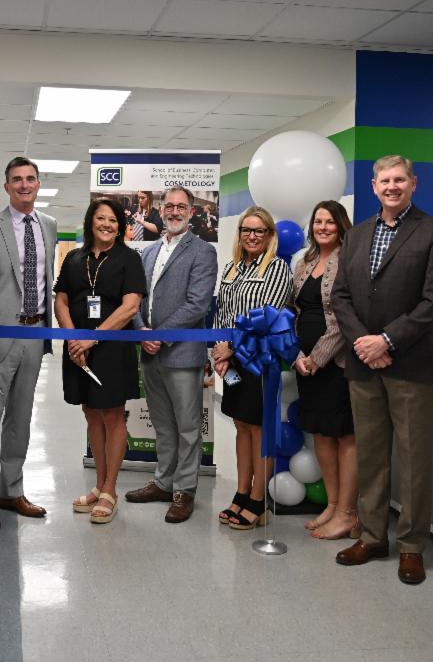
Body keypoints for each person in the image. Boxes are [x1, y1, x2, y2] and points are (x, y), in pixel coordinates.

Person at [330, 155, 433, 586]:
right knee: (371, 455)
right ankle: (371, 536)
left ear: (414, 183)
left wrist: (387, 340)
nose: (392, 186)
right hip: (364, 364)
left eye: (399, 179)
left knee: (414, 459)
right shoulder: (358, 234)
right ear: (373, 185)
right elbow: (341, 296)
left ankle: (412, 547)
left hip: (411, 363)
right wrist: (365, 344)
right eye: (384, 180)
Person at [0, 157, 58, 530]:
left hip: (35, 335)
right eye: (17, 180)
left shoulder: (48, 226)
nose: (24, 185)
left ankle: (12, 490)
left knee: (21, 419)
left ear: (38, 184)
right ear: (6, 186)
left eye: (30, 179)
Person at [125, 187, 218, 523]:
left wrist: (159, 337)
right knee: (163, 425)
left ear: (191, 212)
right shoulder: (148, 252)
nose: (175, 211)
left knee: (188, 427)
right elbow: (134, 299)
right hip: (149, 351)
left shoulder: (203, 252)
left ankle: (184, 491)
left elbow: (197, 304)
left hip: (181, 353)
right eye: (170, 206)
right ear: (161, 210)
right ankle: (164, 482)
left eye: (182, 207)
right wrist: (140, 330)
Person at [54, 199, 145, 524]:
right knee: (91, 413)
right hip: (77, 347)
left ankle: (110, 490)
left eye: (113, 220)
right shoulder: (74, 258)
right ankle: (98, 486)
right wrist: (73, 338)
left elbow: (130, 306)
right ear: (90, 222)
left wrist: (92, 338)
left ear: (120, 226)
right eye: (100, 218)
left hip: (111, 348)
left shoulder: (128, 259)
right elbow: (61, 300)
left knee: (112, 416)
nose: (106, 224)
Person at [211, 207, 293, 531]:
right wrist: (218, 352)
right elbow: (222, 313)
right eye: (247, 229)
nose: (252, 236)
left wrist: (230, 348)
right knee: (241, 426)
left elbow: (269, 317)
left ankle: (258, 501)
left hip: (260, 363)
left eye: (259, 231)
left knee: (259, 429)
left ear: (270, 234)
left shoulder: (276, 269)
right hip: (231, 363)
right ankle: (241, 492)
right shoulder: (232, 268)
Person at [292, 200, 359, 540]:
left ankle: (348, 512)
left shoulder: (348, 260)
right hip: (306, 363)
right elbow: (295, 312)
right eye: (318, 221)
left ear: (341, 225)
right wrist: (297, 354)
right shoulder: (304, 261)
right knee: (320, 433)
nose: (323, 227)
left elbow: (342, 318)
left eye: (330, 222)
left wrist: (316, 357)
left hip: (337, 363)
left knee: (344, 434)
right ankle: (332, 505)